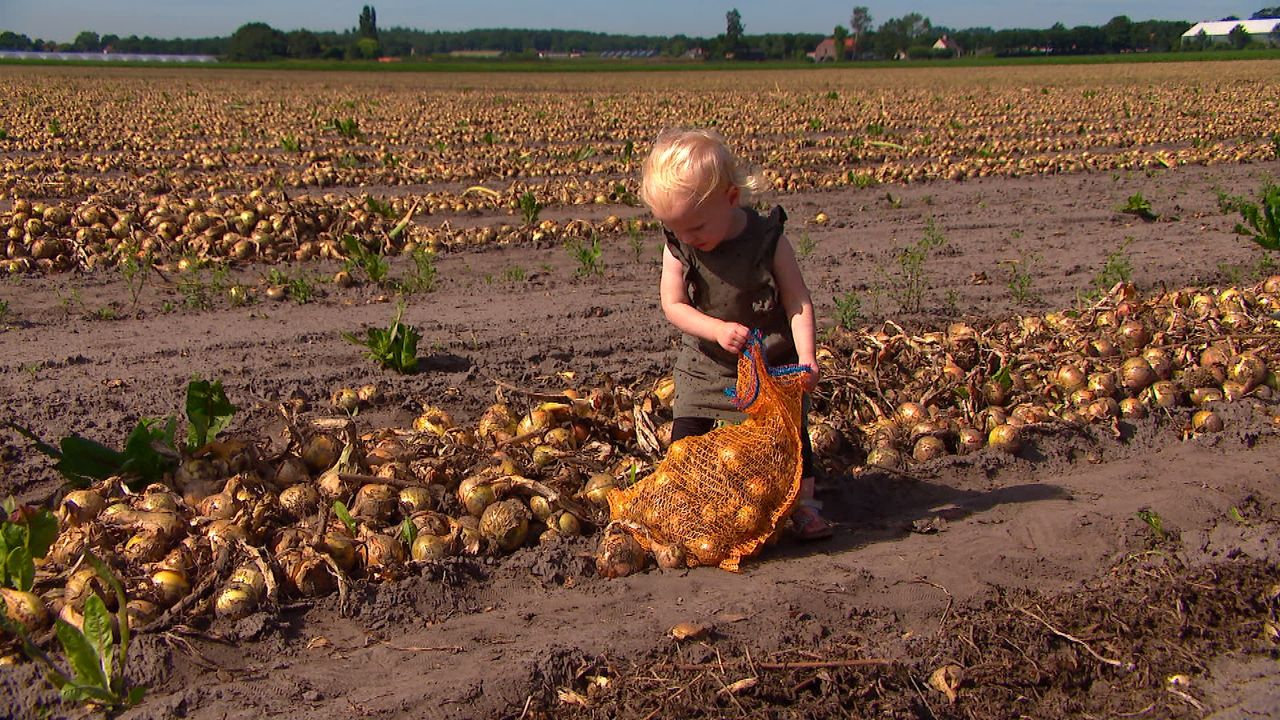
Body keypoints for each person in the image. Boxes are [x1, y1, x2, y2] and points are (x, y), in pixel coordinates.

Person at [639, 128, 833, 540]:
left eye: (695, 228)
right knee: (687, 430)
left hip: (768, 360)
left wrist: (807, 357)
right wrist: (716, 329)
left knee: (789, 433)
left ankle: (804, 503)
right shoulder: (680, 243)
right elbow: (674, 305)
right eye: (677, 229)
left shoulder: (768, 242)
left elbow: (798, 302)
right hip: (706, 362)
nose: (688, 238)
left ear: (730, 199)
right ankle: (682, 498)